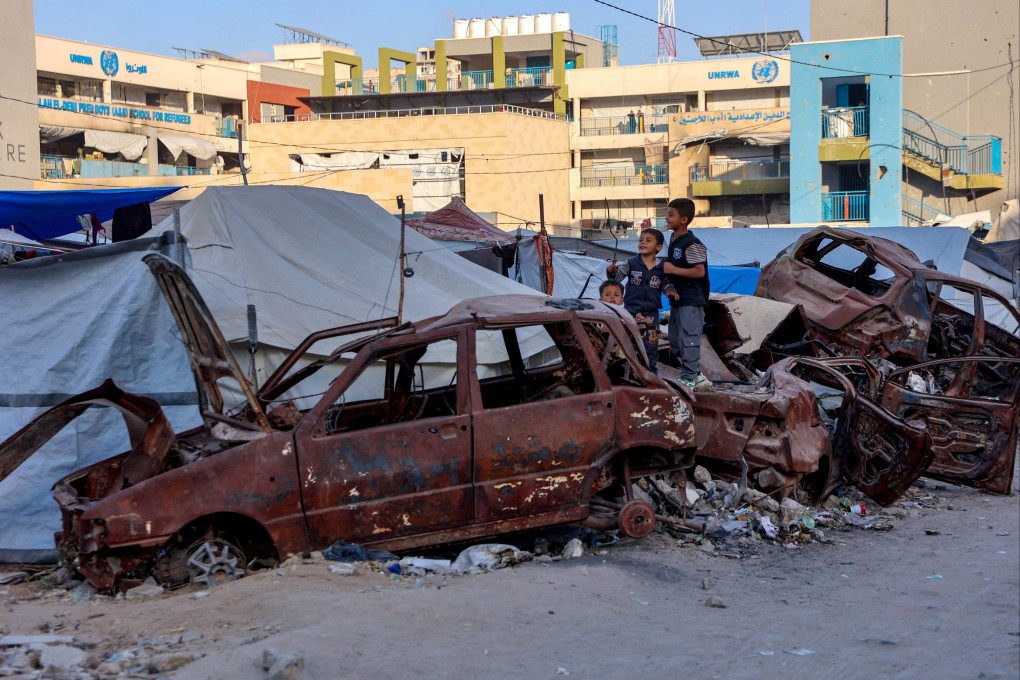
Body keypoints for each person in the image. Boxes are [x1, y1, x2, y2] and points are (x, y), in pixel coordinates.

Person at [606, 228, 673, 373]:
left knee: (651, 344)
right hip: (629, 311)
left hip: (652, 314)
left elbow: (666, 283)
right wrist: (611, 272)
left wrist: (670, 291)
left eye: (648, 240)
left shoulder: (663, 267)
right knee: (627, 344)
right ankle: (627, 374)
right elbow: (616, 279)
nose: (643, 243)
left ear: (659, 247)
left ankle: (651, 375)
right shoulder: (630, 263)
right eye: (641, 240)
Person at [662, 198, 711, 390]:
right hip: (678, 299)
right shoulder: (674, 240)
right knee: (675, 341)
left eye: (670, 215)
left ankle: (689, 377)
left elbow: (699, 272)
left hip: (692, 299)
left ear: (683, 219)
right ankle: (696, 375)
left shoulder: (692, 243)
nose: (666, 218)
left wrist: (673, 270)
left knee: (689, 337)